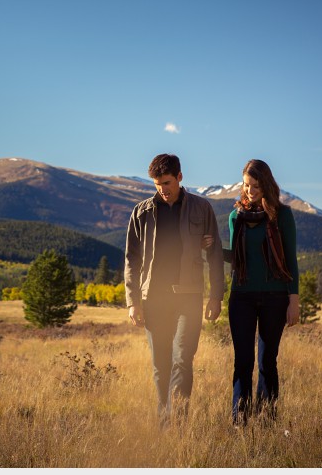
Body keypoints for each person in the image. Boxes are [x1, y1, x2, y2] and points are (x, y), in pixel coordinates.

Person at [125, 153, 225, 427]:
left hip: (188, 297)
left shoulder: (201, 208)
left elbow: (215, 253)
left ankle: (179, 423)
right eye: (158, 184)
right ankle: (164, 422)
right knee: (161, 365)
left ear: (180, 177)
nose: (163, 189)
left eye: (167, 183)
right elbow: (131, 260)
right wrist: (132, 302)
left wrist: (216, 296)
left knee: (182, 359)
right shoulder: (142, 212)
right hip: (152, 299)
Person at [227, 159, 299, 426]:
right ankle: (239, 422)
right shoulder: (236, 217)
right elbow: (236, 258)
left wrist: (294, 299)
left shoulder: (283, 216)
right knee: (242, 361)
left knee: (267, 361)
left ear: (266, 185)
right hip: (241, 296)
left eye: (256, 186)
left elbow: (291, 260)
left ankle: (267, 421)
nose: (250, 191)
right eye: (246, 185)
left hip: (275, 297)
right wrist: (207, 249)